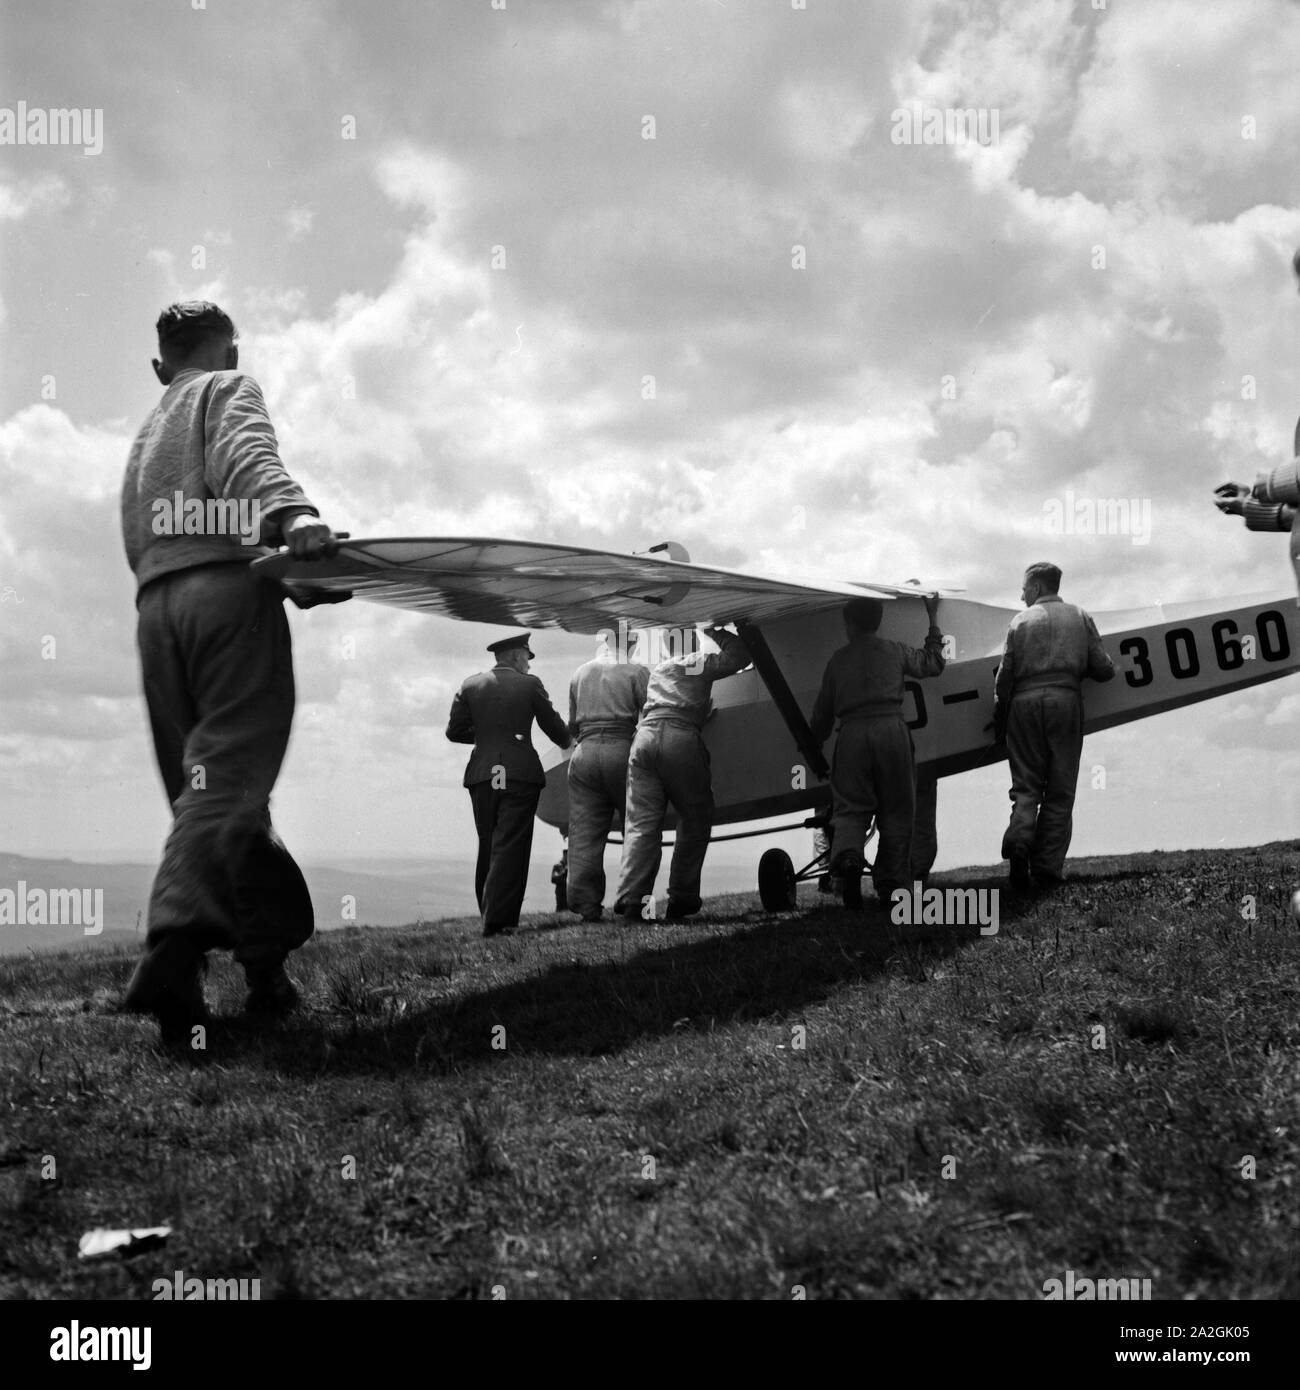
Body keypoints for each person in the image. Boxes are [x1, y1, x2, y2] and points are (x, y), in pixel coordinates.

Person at [120, 300, 342, 1043]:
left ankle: (264, 973)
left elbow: (193, 525)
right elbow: (246, 456)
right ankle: (174, 941)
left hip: (156, 612)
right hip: (225, 602)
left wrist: (295, 578)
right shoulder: (226, 390)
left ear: (160, 367)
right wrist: (292, 515)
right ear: (233, 353)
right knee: (233, 774)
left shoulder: (146, 437)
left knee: (211, 789)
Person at [810, 596, 945, 907]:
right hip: (892, 731)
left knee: (850, 810)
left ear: (849, 623)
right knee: (898, 811)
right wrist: (933, 618)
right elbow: (933, 663)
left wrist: (815, 743)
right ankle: (892, 886)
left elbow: (822, 714)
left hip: (853, 734)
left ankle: (849, 861)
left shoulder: (838, 660)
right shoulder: (895, 651)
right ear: (878, 620)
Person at [614, 625, 751, 920]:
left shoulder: (658, 672)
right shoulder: (694, 663)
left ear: (664, 646)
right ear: (691, 642)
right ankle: (682, 897)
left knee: (641, 824)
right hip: (679, 736)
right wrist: (717, 630)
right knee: (695, 815)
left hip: (644, 740)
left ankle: (632, 901)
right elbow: (740, 656)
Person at [992, 562, 1115, 889]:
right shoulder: (1079, 616)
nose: (1021, 595)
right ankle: (1046, 868)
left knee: (1026, 787)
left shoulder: (1019, 621)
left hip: (1023, 705)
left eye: (1023, 589)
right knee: (1060, 789)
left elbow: (1004, 677)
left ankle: (1019, 841)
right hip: (1065, 702)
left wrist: (999, 714)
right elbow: (1103, 668)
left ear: (1035, 588)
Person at [446, 633, 570, 936]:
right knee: (511, 845)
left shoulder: (470, 684)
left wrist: (487, 736)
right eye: (527, 657)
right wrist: (569, 739)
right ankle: (498, 920)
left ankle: (488, 912)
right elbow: (554, 727)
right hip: (517, 773)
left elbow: (454, 731)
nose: (529, 663)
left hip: (483, 774)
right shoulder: (530, 684)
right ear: (516, 656)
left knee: (489, 844)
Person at [565, 631, 650, 921]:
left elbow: (572, 726)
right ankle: (633, 900)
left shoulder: (580, 672)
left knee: (584, 831)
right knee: (638, 827)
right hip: (621, 750)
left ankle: (587, 906)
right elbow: (651, 717)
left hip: (584, 753)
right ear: (632, 644)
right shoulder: (636, 671)